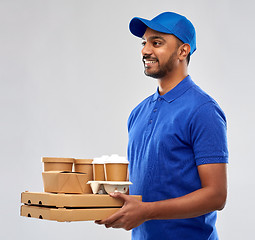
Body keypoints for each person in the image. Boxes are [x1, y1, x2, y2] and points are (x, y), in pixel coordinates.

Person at [95, 12, 229, 240]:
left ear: (182, 51)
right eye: (144, 42)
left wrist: (147, 211)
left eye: (156, 43)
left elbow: (216, 196)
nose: (145, 50)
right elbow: (145, 184)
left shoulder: (203, 110)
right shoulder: (138, 112)